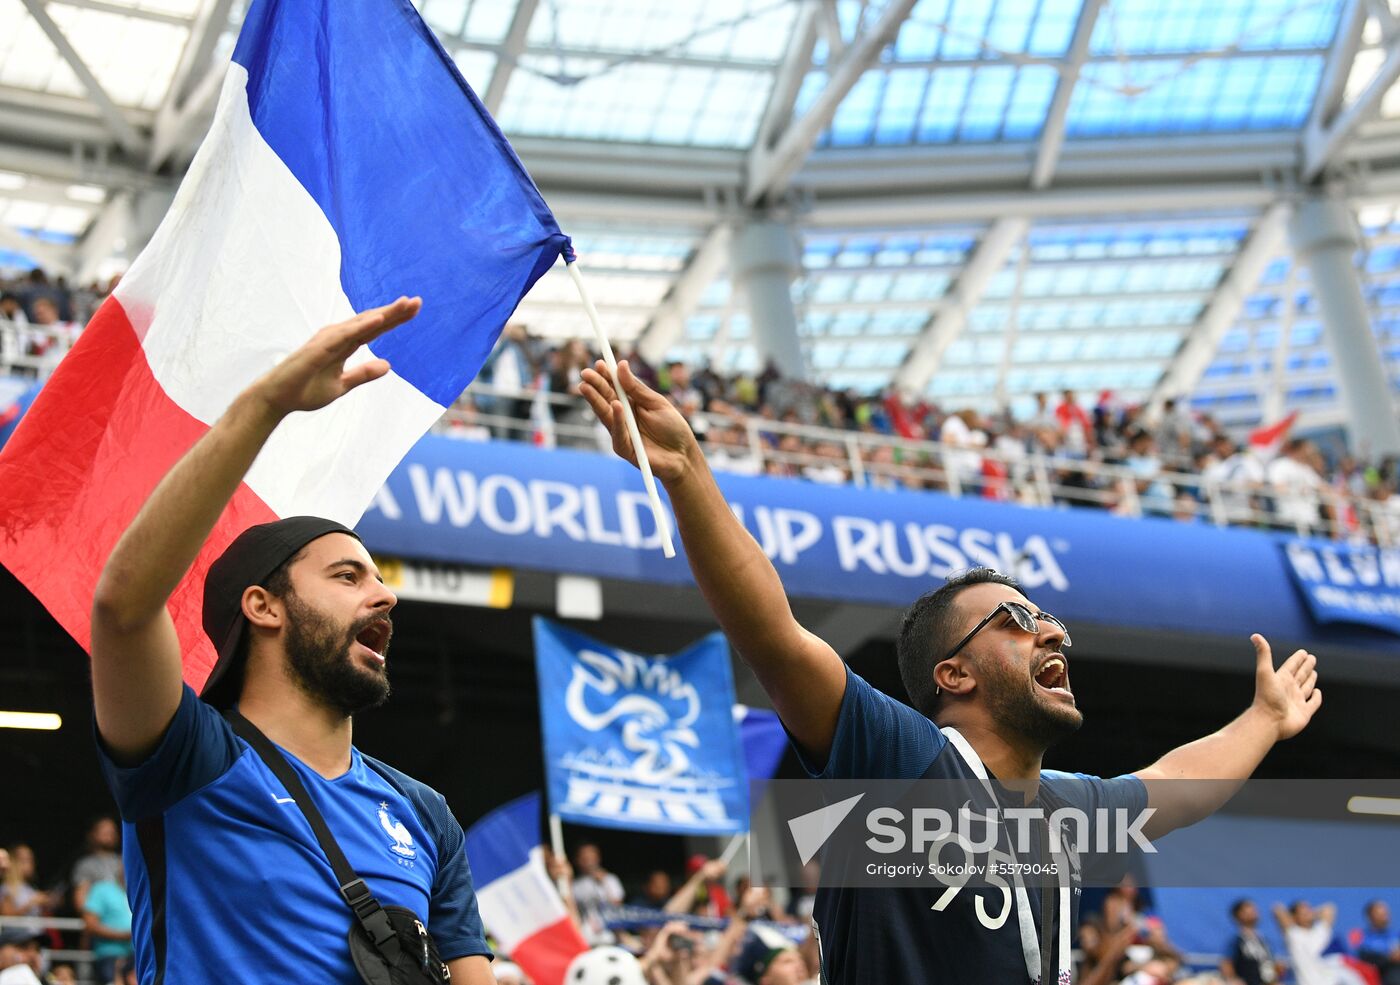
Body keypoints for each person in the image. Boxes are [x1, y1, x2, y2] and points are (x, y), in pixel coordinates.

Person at [578, 359, 1322, 985]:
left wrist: (1266, 717)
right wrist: (689, 475)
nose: (1052, 628)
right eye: (1018, 620)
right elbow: (775, 636)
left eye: (1050, 617)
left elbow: (1179, 785)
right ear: (954, 674)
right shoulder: (901, 760)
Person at [88, 297, 492, 983]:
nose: (385, 594)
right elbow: (124, 609)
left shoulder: (426, 814)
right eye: (346, 574)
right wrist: (269, 404)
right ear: (263, 605)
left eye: (379, 578)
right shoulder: (188, 758)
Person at [82, 868, 132, 984]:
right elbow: (90, 924)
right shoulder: (102, 889)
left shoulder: (139, 891)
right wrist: (123, 935)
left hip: (137, 956)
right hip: (109, 956)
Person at [1273, 901, 1337, 985]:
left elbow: (1329, 908)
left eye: (1308, 909)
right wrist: (1295, 918)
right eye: (1302, 911)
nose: (1307, 912)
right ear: (1294, 917)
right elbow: (1277, 909)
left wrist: (1312, 914)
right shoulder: (1293, 935)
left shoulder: (1321, 930)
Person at [1221, 898, 1278, 985]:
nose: (1254, 912)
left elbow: (1270, 966)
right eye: (1249, 910)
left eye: (1254, 909)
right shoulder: (1237, 941)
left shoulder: (1264, 941)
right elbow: (1226, 963)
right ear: (1239, 915)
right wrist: (1232, 979)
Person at [69, 817, 121, 912]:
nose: (109, 834)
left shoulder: (123, 862)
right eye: (104, 830)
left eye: (112, 831)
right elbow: (80, 900)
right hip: (101, 919)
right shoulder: (85, 864)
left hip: (127, 918)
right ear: (93, 834)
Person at [1357, 900, 1400, 985]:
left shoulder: (1396, 935)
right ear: (1370, 916)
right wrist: (1390, 958)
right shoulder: (1364, 938)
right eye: (1380, 913)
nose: (1384, 916)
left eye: (1385, 913)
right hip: (1383, 978)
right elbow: (1366, 958)